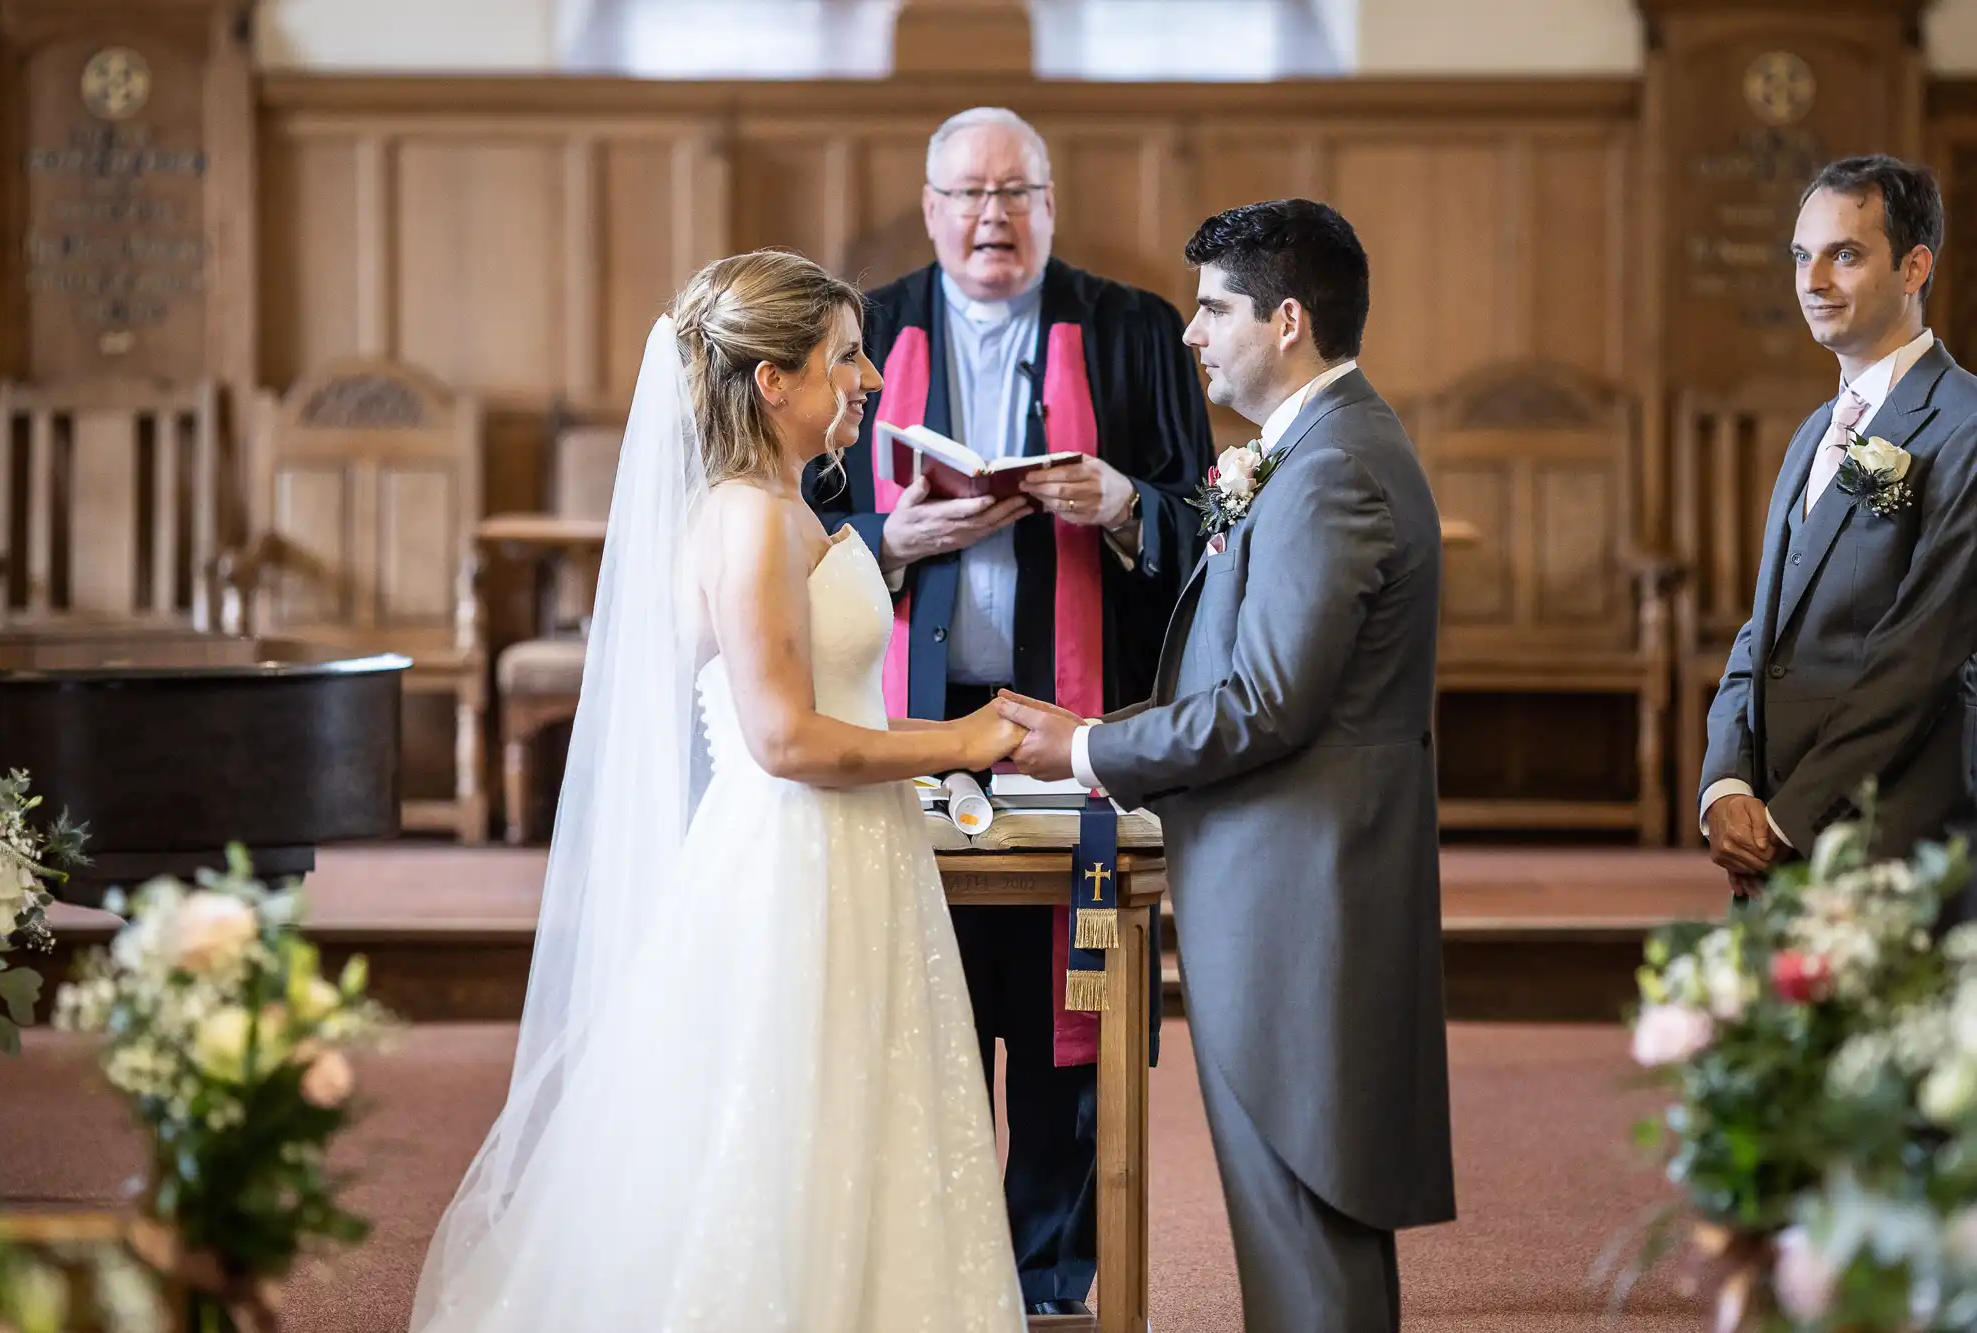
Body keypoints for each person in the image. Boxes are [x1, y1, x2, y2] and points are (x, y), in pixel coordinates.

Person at [409, 251, 1030, 1333]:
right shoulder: (743, 518)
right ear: (771, 382)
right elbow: (782, 738)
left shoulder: (782, 507)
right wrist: (963, 739)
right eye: (845, 356)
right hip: (794, 861)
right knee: (785, 1128)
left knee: (856, 1126)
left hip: (850, 853)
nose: (872, 380)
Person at [998, 199, 1457, 1332]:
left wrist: (1089, 745)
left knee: (1308, 1242)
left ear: (1287, 319)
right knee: (1287, 1235)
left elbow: (1264, 703)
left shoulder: (1330, 467)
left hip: (1305, 895)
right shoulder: (1309, 449)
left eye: (1212, 310)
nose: (1191, 335)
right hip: (1281, 882)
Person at [808, 106, 1211, 1317]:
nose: (991, 216)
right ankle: (931, 1279)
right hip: (906, 718)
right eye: (967, 194)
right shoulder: (866, 331)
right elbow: (791, 519)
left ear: (1050, 203)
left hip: (1076, 723)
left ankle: (1049, 1282)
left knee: (1063, 1018)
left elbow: (1210, 529)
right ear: (928, 207)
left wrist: (1126, 502)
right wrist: (894, 536)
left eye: (1015, 193)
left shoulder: (1133, 332)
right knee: (927, 1001)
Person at [1699, 155, 1977, 891]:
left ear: (1915, 267)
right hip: (1777, 839)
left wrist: (1789, 819)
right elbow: (1763, 630)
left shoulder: (1964, 425)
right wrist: (1725, 784)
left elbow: (1921, 657)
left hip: (1889, 840)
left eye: (1844, 255)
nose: (1813, 281)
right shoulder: (1815, 430)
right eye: (1802, 256)